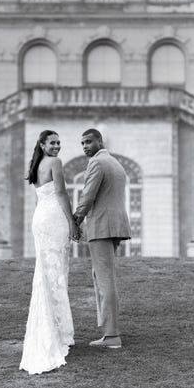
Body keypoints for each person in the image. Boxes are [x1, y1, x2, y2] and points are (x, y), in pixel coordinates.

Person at [19, 130, 79, 375]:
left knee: (47, 274)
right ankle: (58, 332)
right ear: (42, 144)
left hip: (40, 219)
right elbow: (62, 193)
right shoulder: (54, 163)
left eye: (59, 143)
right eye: (52, 143)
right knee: (56, 275)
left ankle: (59, 329)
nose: (57, 146)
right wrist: (73, 222)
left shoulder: (35, 164)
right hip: (53, 218)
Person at [73, 128, 131, 349]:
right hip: (115, 225)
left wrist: (75, 220)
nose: (85, 146)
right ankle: (110, 331)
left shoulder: (97, 163)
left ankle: (112, 335)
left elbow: (88, 196)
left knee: (104, 280)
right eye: (82, 143)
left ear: (99, 141)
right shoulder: (115, 163)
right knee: (103, 277)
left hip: (102, 226)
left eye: (88, 141)